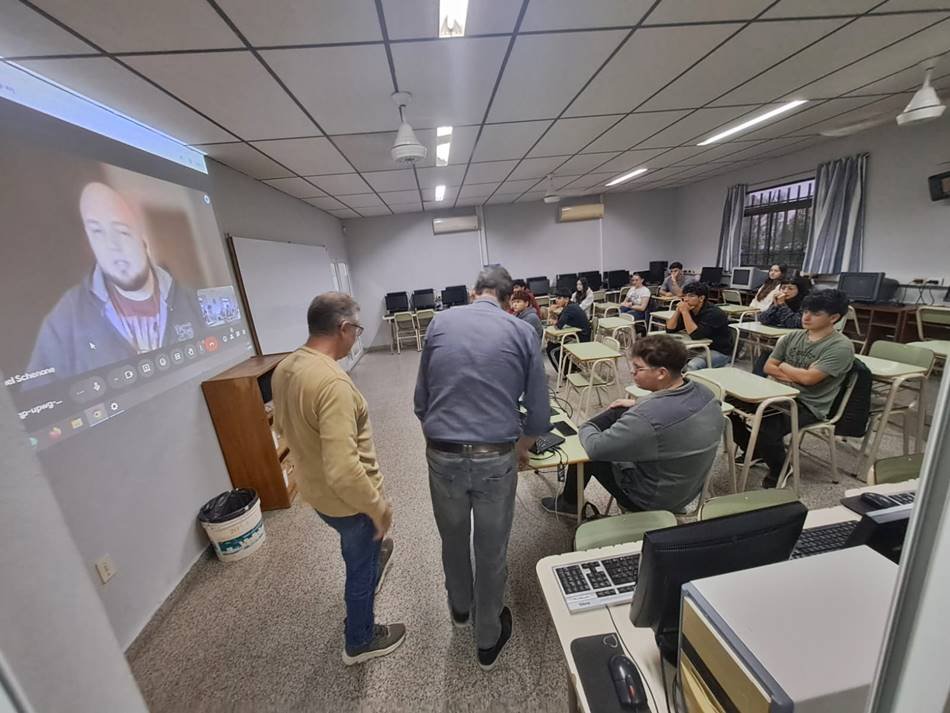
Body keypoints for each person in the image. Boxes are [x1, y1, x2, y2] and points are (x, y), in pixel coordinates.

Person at [414, 266, 550, 671]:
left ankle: (460, 609)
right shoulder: (523, 331)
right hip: (495, 455)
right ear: (509, 300)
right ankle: (487, 640)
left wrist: (443, 441)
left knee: (452, 537)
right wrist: (521, 449)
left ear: (474, 293)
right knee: (491, 550)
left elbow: (421, 402)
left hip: (442, 453)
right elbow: (539, 415)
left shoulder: (439, 322)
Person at [272, 292, 404, 666]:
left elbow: (282, 427)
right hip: (350, 502)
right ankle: (360, 640)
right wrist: (377, 508)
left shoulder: (286, 367)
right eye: (356, 330)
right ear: (343, 328)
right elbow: (344, 470)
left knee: (359, 546)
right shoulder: (333, 384)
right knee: (359, 567)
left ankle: (374, 553)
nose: (356, 337)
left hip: (317, 494)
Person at [26, 182, 203, 386]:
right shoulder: (65, 319)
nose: (112, 246)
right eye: (97, 232)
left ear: (142, 237)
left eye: (122, 231)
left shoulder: (193, 302)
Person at [540, 334, 723, 516]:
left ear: (661, 373)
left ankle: (569, 503)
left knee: (586, 448)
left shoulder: (646, 417)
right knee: (620, 411)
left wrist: (585, 426)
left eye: (638, 368)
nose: (631, 372)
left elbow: (595, 448)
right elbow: (670, 411)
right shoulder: (705, 393)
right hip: (687, 490)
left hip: (651, 501)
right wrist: (637, 403)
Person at [730, 289, 854, 488]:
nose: (806, 317)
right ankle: (755, 451)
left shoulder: (840, 346)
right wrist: (799, 374)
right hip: (776, 393)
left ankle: (780, 468)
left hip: (808, 404)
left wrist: (785, 366)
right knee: (726, 406)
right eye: (805, 311)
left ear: (834, 318)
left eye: (815, 313)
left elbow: (809, 380)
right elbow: (769, 367)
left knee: (766, 424)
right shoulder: (792, 336)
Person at [666, 282, 732, 370]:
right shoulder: (689, 308)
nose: (686, 299)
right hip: (698, 347)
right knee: (667, 358)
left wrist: (685, 312)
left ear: (701, 298)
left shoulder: (714, 313)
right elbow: (670, 329)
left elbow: (695, 335)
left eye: (691, 296)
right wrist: (678, 310)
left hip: (718, 351)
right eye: (685, 296)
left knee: (692, 366)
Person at [546, 288, 592, 372]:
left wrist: (551, 312)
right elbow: (560, 321)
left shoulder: (569, 308)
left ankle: (564, 374)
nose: (556, 300)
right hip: (579, 335)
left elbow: (558, 326)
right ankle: (570, 369)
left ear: (566, 299)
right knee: (552, 344)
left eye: (559, 298)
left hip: (580, 339)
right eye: (556, 298)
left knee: (551, 348)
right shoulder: (571, 306)